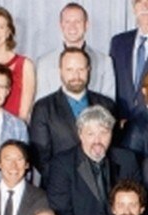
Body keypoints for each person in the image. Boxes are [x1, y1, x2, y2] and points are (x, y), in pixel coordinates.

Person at [44, 105, 139, 215]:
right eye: (90, 134)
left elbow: (136, 207)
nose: (97, 140)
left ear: (111, 133)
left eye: (103, 133)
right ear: (80, 134)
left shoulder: (127, 160)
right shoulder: (62, 164)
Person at [30, 46, 115, 177]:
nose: (76, 76)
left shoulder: (107, 105)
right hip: (59, 187)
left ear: (89, 70)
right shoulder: (43, 108)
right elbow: (40, 157)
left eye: (81, 69)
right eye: (69, 70)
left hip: (101, 185)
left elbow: (113, 150)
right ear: (60, 71)